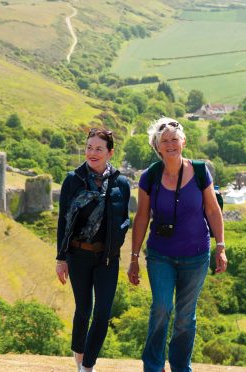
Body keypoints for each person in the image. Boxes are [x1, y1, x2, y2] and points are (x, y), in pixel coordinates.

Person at [127, 117, 228, 372]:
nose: (171, 144)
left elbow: (213, 210)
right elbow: (141, 218)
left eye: (175, 139)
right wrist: (134, 257)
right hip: (161, 254)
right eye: (165, 141)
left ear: (183, 141)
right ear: (157, 147)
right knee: (161, 307)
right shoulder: (149, 176)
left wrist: (221, 246)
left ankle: (181, 367)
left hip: (196, 255)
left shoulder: (200, 170)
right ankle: (153, 366)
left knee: (185, 316)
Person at [56, 128, 131, 372]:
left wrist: (118, 241)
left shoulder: (120, 183)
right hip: (78, 255)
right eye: (89, 147)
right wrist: (61, 258)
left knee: (102, 313)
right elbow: (63, 221)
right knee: (84, 310)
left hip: (107, 258)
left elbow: (124, 220)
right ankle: (79, 358)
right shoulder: (73, 180)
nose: (92, 153)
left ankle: (88, 366)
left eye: (99, 149)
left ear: (110, 152)